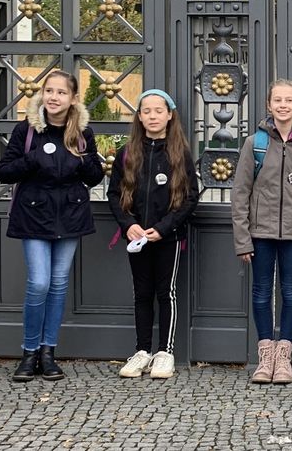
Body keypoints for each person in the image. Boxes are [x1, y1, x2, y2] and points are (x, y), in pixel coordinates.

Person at [0, 69, 105, 383]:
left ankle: (48, 352)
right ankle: (29, 352)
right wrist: (32, 160)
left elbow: (95, 176)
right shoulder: (26, 130)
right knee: (40, 282)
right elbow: (4, 172)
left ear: (72, 98)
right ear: (42, 94)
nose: (54, 97)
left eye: (61, 92)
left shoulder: (84, 132)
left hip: (69, 215)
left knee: (58, 284)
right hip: (34, 215)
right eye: (49, 91)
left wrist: (81, 159)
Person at [106, 90, 200, 380]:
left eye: (158, 111)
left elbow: (190, 197)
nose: (152, 116)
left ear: (170, 115)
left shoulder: (179, 154)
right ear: (139, 116)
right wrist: (127, 224)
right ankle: (142, 351)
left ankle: (165, 352)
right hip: (136, 238)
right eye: (146, 111)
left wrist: (164, 227)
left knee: (166, 292)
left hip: (167, 238)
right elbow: (114, 193)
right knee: (141, 294)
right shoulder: (127, 153)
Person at [232, 79, 292, 385]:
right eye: (277, 101)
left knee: (291, 292)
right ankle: (265, 354)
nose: (283, 106)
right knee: (260, 292)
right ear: (269, 105)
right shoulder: (254, 143)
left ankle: (284, 357)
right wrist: (242, 239)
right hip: (260, 232)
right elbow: (241, 193)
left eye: (289, 101)